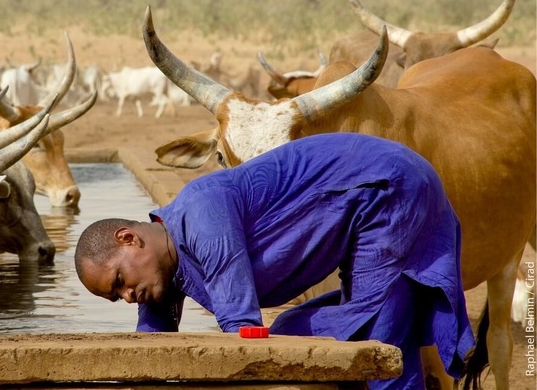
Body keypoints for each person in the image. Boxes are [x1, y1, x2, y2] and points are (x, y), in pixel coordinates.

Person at [74, 132, 475, 390]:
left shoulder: (200, 216)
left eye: (120, 281)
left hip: (387, 189)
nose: (127, 296)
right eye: (117, 298)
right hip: (372, 201)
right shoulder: (161, 271)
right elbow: (149, 351)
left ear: (129, 239)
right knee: (298, 329)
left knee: (379, 341)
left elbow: (242, 335)